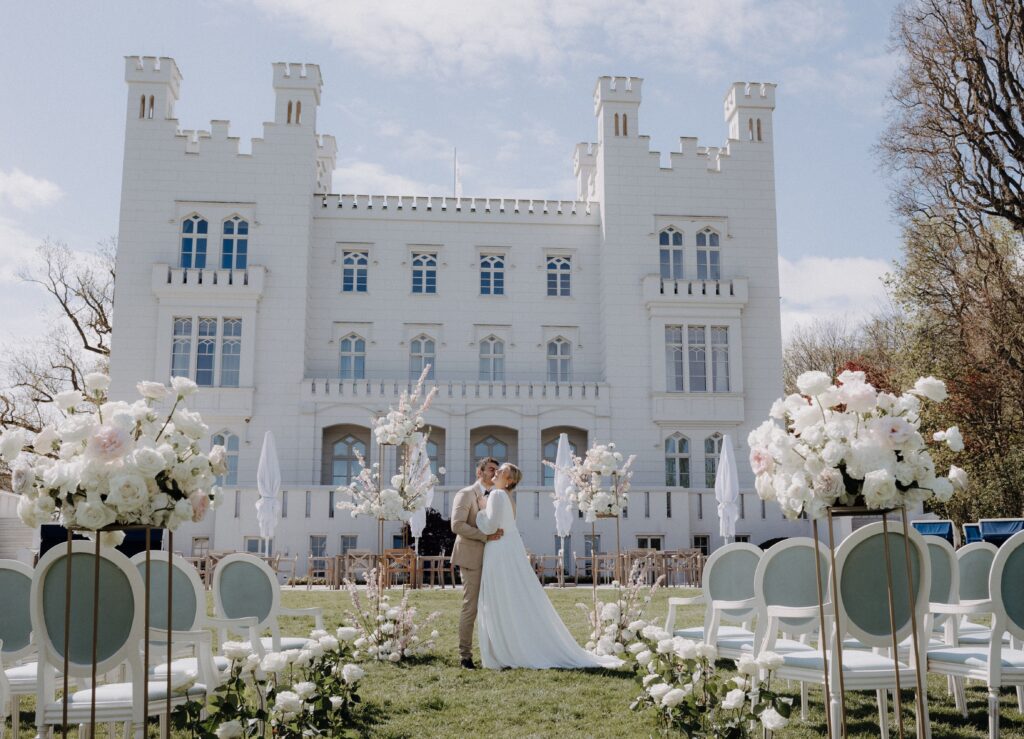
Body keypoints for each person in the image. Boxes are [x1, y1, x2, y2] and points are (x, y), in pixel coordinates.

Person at [474, 462, 624, 670]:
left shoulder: (497, 495)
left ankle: (504, 647)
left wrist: (480, 511)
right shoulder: (508, 498)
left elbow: (490, 525)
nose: (496, 471)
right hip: (509, 547)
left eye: (502, 472)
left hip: (498, 549)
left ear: (509, 481)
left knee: (499, 594)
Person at [450, 456, 503, 669]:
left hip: (493, 558)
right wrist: (485, 536)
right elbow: (456, 525)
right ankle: (466, 657)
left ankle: (494, 655)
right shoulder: (465, 494)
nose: (495, 473)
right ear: (479, 473)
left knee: (494, 608)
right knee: (470, 607)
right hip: (471, 558)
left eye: (496, 470)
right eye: (491, 469)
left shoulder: (497, 496)